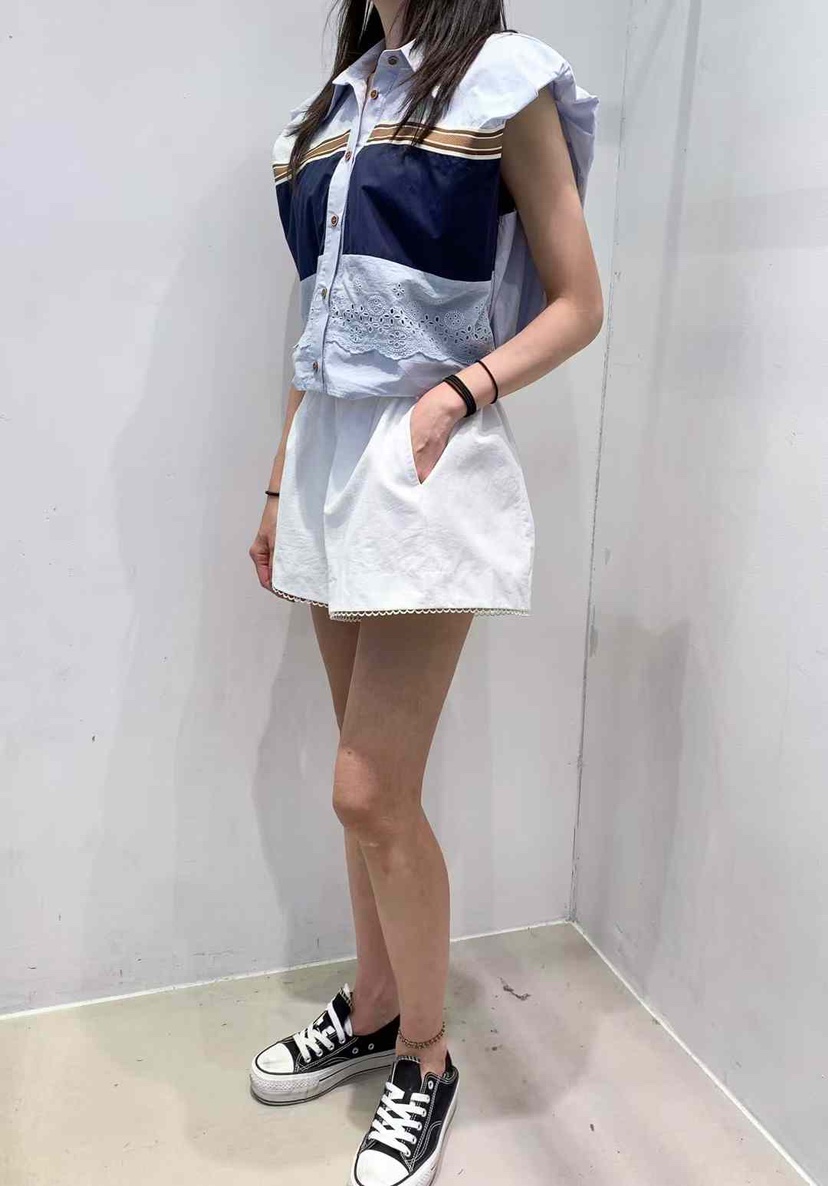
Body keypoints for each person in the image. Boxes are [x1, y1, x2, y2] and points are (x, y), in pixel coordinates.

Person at [248, 2, 602, 1182]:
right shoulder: (340, 102)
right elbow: (320, 319)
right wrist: (279, 480)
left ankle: (429, 1056)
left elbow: (580, 300)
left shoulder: (505, 80)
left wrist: (459, 394)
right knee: (365, 791)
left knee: (368, 789)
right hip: (325, 461)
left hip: (421, 458)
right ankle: (374, 1004)